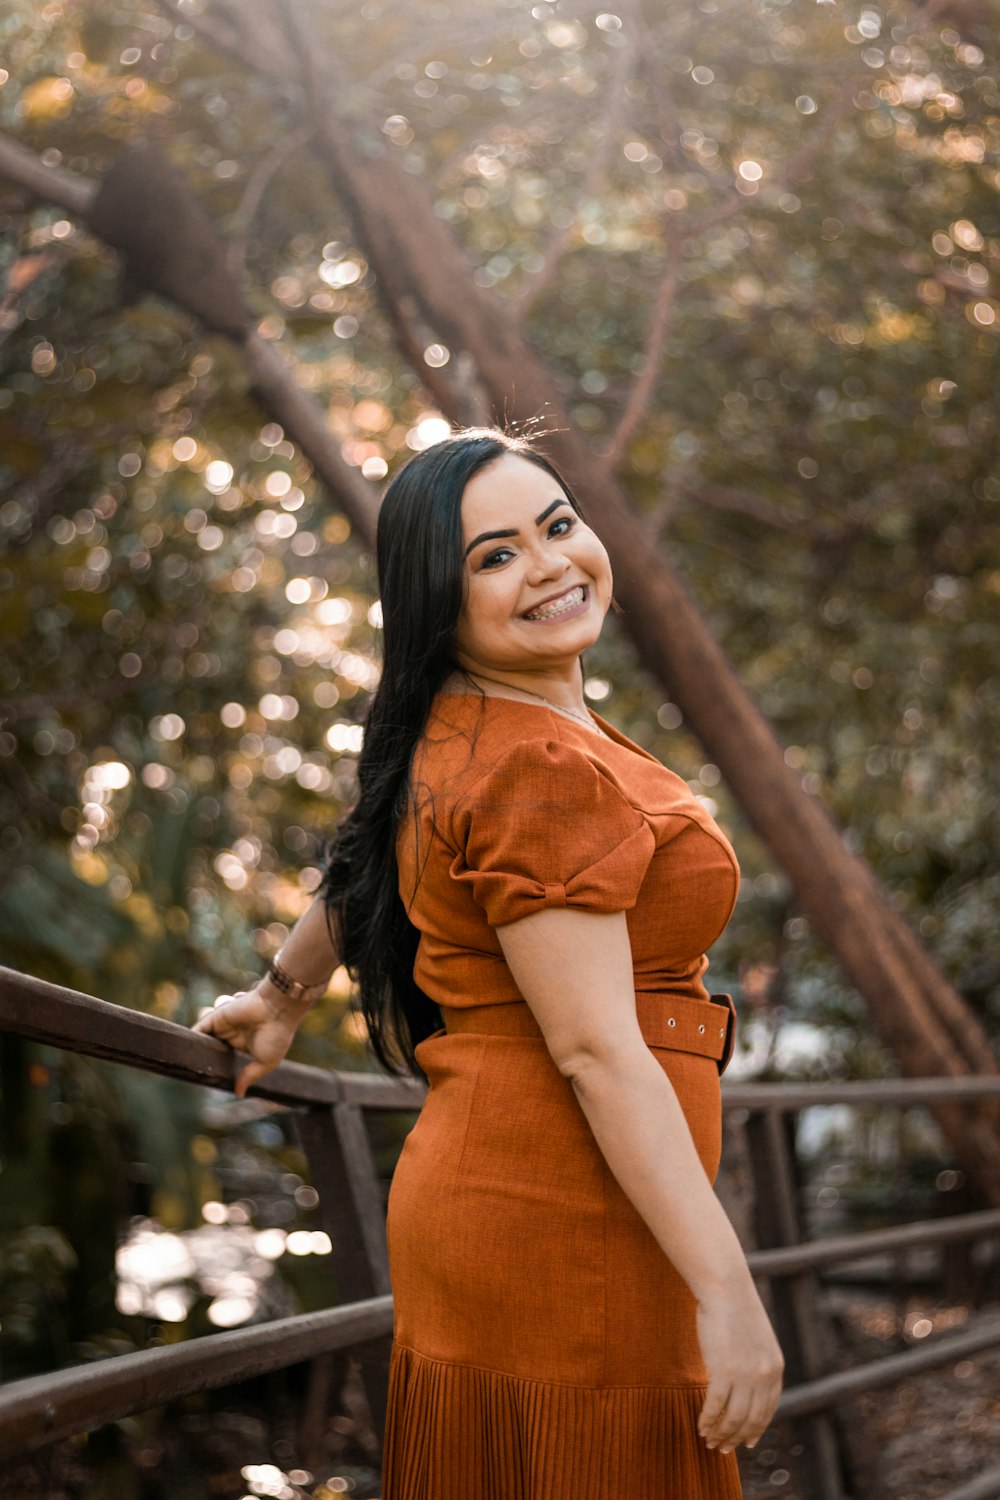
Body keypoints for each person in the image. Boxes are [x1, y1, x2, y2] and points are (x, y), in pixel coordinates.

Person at [191, 426, 784, 1498]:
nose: (551, 564)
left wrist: (283, 992)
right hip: (567, 1219)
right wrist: (728, 1292)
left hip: (520, 1204)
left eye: (556, 526)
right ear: (437, 599)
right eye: (494, 556)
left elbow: (370, 839)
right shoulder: (540, 766)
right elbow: (598, 1050)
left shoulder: (462, 727)